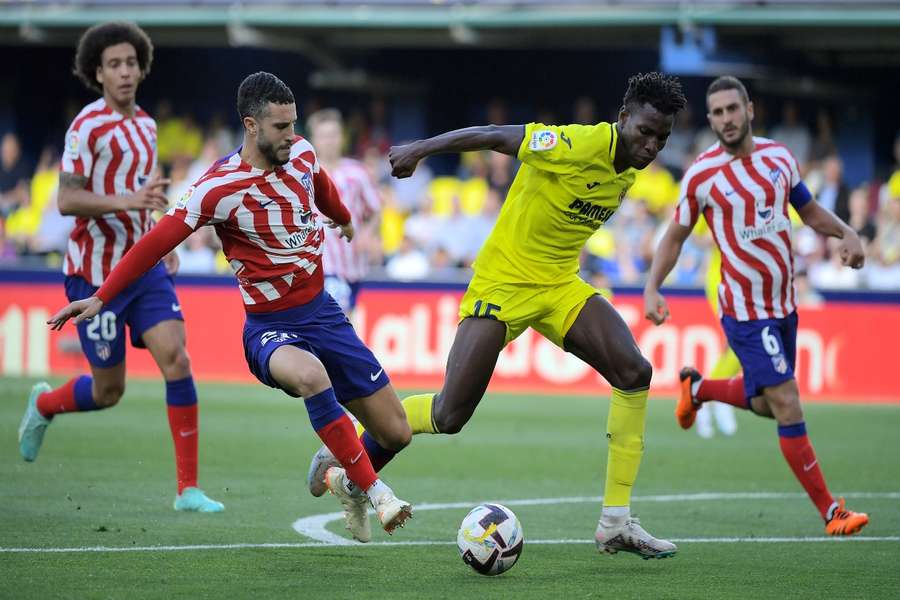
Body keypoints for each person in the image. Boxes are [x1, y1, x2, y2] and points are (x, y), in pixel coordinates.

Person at [309, 72, 687, 559]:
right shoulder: (575, 142)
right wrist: (420, 149)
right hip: (502, 283)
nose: (652, 145)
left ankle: (616, 522)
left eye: (663, 137)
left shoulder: (629, 169)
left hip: (559, 285)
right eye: (645, 132)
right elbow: (493, 136)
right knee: (450, 414)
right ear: (622, 119)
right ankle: (352, 459)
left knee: (634, 371)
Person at [48, 71, 413, 542]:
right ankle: (378, 493)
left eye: (293, 123)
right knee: (310, 376)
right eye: (281, 127)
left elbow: (321, 187)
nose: (291, 135)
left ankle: (343, 476)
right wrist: (101, 297)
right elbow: (155, 243)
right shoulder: (217, 188)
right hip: (270, 328)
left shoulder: (300, 152)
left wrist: (342, 219)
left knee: (396, 432)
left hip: (323, 313)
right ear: (251, 125)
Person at [643, 75, 869, 536]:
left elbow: (807, 211)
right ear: (710, 120)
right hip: (744, 308)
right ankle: (831, 511)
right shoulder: (702, 176)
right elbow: (675, 237)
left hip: (784, 303)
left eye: (733, 109)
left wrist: (846, 232)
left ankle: (699, 388)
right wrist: (652, 287)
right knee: (788, 404)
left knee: (768, 405)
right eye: (718, 112)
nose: (726, 118)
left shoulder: (779, 159)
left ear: (750, 110)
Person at [18, 22, 223, 512]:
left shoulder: (147, 125)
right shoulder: (85, 127)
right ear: (98, 72)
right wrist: (130, 200)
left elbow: (144, 193)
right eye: (114, 64)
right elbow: (67, 200)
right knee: (109, 390)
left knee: (177, 358)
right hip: (93, 274)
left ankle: (187, 489)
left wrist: (158, 233)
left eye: (131, 62)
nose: (126, 71)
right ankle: (45, 405)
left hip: (141, 265)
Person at [306, 108, 381, 316]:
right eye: (324, 136)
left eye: (333, 135)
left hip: (352, 263)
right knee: (334, 318)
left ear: (342, 137)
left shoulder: (357, 173)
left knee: (345, 321)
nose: (329, 141)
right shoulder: (305, 174)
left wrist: (367, 233)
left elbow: (375, 209)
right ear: (314, 140)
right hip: (319, 263)